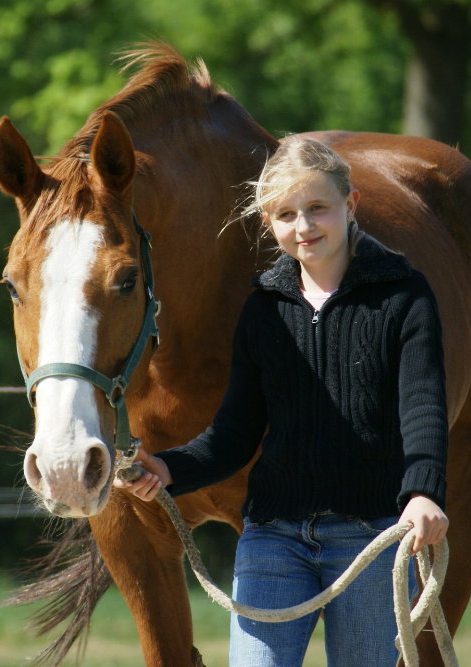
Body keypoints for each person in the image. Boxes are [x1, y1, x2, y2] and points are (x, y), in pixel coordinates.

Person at [114, 137, 450, 666]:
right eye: (286, 214)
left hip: (371, 539)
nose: (304, 226)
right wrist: (167, 468)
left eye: (318, 208)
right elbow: (233, 434)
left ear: (350, 205)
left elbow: (423, 409)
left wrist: (423, 493)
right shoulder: (263, 310)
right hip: (273, 540)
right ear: (269, 222)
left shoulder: (405, 297)